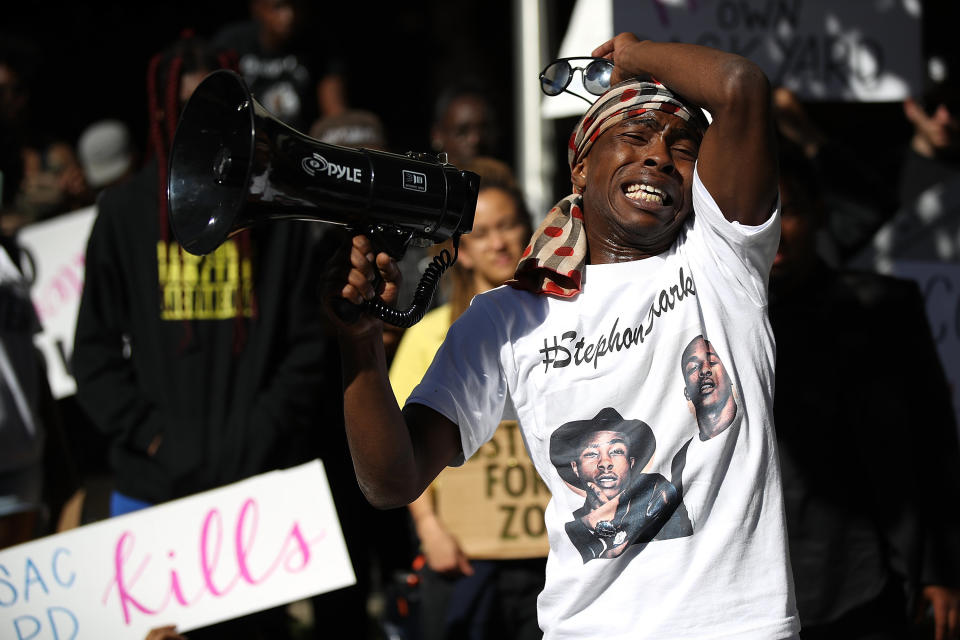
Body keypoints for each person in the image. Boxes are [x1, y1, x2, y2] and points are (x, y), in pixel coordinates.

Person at [331, 33, 798, 638]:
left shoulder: (721, 261)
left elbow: (740, 88)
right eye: (633, 137)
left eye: (684, 149)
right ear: (580, 165)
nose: (658, 156)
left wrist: (630, 54)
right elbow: (393, 480)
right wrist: (360, 343)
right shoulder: (506, 316)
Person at [73, 35, 331, 639]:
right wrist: (155, 438)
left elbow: (307, 346)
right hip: (153, 493)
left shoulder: (275, 213)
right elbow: (93, 354)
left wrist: (259, 433)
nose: (203, 126)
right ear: (162, 112)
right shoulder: (124, 212)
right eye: (187, 109)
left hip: (254, 495)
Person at [770, 140, 960, 640]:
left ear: (819, 214)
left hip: (867, 582)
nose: (776, 233)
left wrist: (941, 570)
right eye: (757, 215)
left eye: (787, 212)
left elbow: (935, 441)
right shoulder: (716, 327)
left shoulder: (884, 310)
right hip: (758, 589)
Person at [389, 157, 545, 640]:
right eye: (481, 234)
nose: (498, 242)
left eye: (508, 225)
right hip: (463, 562)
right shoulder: (430, 336)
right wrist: (430, 531)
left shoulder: (560, 325)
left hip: (552, 559)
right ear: (462, 251)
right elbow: (404, 443)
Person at [549, 408, 691, 563]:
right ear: (576, 468)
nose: (605, 463)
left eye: (616, 451)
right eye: (591, 453)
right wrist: (588, 522)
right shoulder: (573, 522)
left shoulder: (654, 490)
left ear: (631, 463)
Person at [213, 0, 346, 132]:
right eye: (278, 7)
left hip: (300, 141)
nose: (290, 16)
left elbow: (334, 112)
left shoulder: (320, 46)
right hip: (247, 138)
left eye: (297, 6)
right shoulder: (232, 42)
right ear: (257, 8)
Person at [680, 335, 738, 441]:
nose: (704, 370)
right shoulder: (685, 456)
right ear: (687, 392)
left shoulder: (754, 433)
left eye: (712, 362)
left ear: (730, 377)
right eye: (693, 367)